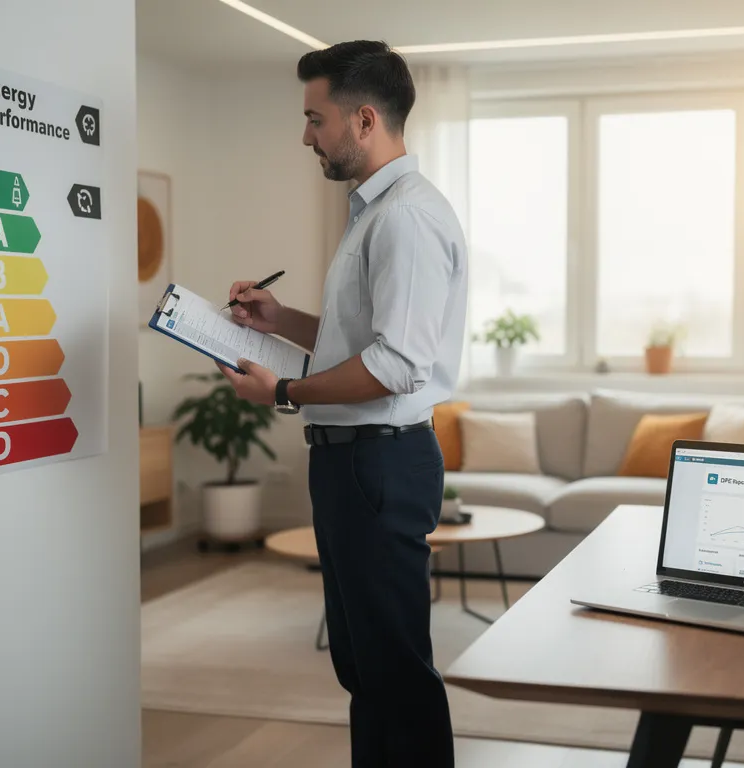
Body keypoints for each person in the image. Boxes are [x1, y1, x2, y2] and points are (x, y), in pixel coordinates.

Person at [217, 40, 467, 768]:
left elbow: (392, 365)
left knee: (394, 674)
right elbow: (360, 339)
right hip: (356, 466)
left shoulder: (406, 220)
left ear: (363, 120)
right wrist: (280, 319)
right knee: (365, 670)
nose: (305, 137)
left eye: (313, 118)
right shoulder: (374, 214)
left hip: (379, 466)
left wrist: (285, 391)